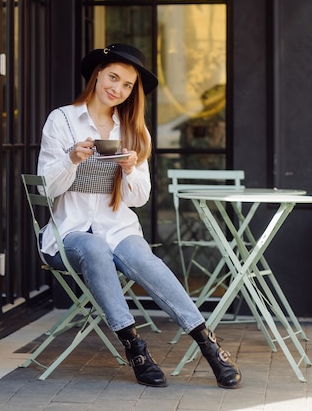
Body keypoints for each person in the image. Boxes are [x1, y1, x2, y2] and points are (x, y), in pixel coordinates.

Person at [37, 43, 241, 389]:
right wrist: (71, 158)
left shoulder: (134, 130)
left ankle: (208, 343)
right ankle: (136, 348)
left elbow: (140, 198)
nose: (117, 88)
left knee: (143, 259)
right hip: (69, 233)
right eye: (113, 77)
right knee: (94, 249)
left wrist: (131, 169)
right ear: (98, 74)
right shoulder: (63, 120)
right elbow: (44, 190)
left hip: (118, 227)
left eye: (127, 85)